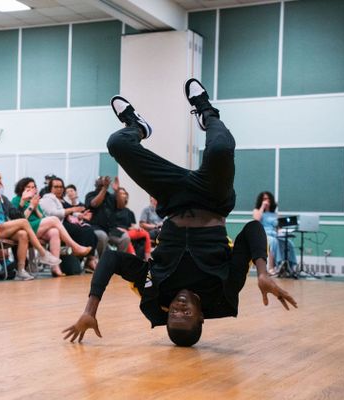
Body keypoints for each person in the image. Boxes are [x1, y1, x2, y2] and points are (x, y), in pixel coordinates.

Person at [63, 79, 296, 346]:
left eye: (173, 313)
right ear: (201, 318)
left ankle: (137, 127)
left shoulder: (154, 292)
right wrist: (263, 271)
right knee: (221, 148)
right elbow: (252, 230)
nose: (179, 308)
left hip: (172, 199)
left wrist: (90, 310)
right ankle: (206, 111)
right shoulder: (224, 292)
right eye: (185, 314)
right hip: (213, 199)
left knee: (117, 143)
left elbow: (113, 260)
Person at [0, 170, 61, 281]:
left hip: (4, 228)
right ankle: (42, 252)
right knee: (24, 223)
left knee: (22, 234)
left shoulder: (3, 198)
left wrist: (22, 201)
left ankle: (21, 270)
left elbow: (16, 216)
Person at [12, 177, 92, 277]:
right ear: (21, 188)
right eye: (28, 187)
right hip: (25, 227)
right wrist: (31, 206)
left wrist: (36, 208)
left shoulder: (35, 200)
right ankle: (74, 247)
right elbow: (21, 220)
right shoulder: (16, 200)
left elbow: (42, 217)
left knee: (54, 231)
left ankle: (55, 267)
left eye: (33, 187)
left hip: (36, 227)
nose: (31, 189)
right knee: (54, 219)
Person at [40, 177, 98, 273]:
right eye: (56, 187)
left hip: (67, 224)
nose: (59, 189)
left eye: (61, 187)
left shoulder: (62, 200)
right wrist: (72, 210)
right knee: (84, 230)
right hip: (58, 225)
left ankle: (89, 258)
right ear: (50, 188)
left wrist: (81, 215)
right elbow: (54, 213)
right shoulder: (47, 198)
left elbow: (72, 214)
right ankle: (79, 254)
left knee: (89, 230)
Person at [253, 191, 297, 275]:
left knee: (289, 242)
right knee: (273, 242)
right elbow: (256, 219)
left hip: (275, 234)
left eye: (268, 198)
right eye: (264, 199)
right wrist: (262, 207)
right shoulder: (257, 211)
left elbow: (278, 227)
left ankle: (291, 267)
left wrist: (281, 231)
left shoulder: (275, 214)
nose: (266, 200)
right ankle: (272, 267)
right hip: (264, 234)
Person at [84, 176, 130, 257]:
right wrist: (104, 188)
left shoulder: (111, 196)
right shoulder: (90, 194)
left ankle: (118, 263)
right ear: (96, 183)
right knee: (102, 236)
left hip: (110, 229)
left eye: (105, 179)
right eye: (101, 179)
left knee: (125, 238)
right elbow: (94, 204)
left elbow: (121, 206)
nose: (103, 180)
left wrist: (117, 191)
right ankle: (102, 262)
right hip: (95, 227)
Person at [115, 187, 152, 261]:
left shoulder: (129, 212)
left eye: (124, 194)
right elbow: (111, 224)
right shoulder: (113, 210)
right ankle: (133, 257)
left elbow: (132, 226)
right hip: (118, 232)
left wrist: (136, 228)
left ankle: (148, 257)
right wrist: (120, 229)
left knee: (145, 233)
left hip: (128, 231)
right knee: (125, 236)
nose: (123, 195)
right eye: (121, 194)